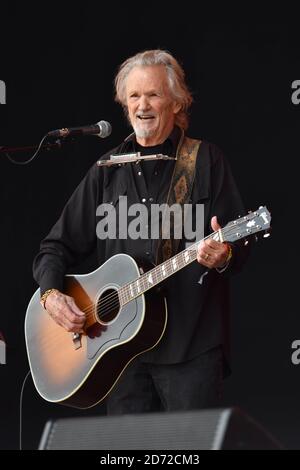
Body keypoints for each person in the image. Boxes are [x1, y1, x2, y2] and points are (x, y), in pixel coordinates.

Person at [33, 49, 249, 414]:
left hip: (191, 347)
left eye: (153, 95)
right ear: (124, 104)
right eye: (134, 96)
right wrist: (51, 294)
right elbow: (55, 247)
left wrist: (224, 255)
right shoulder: (106, 170)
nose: (142, 105)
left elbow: (239, 244)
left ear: (177, 103)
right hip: (120, 353)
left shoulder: (206, 161)